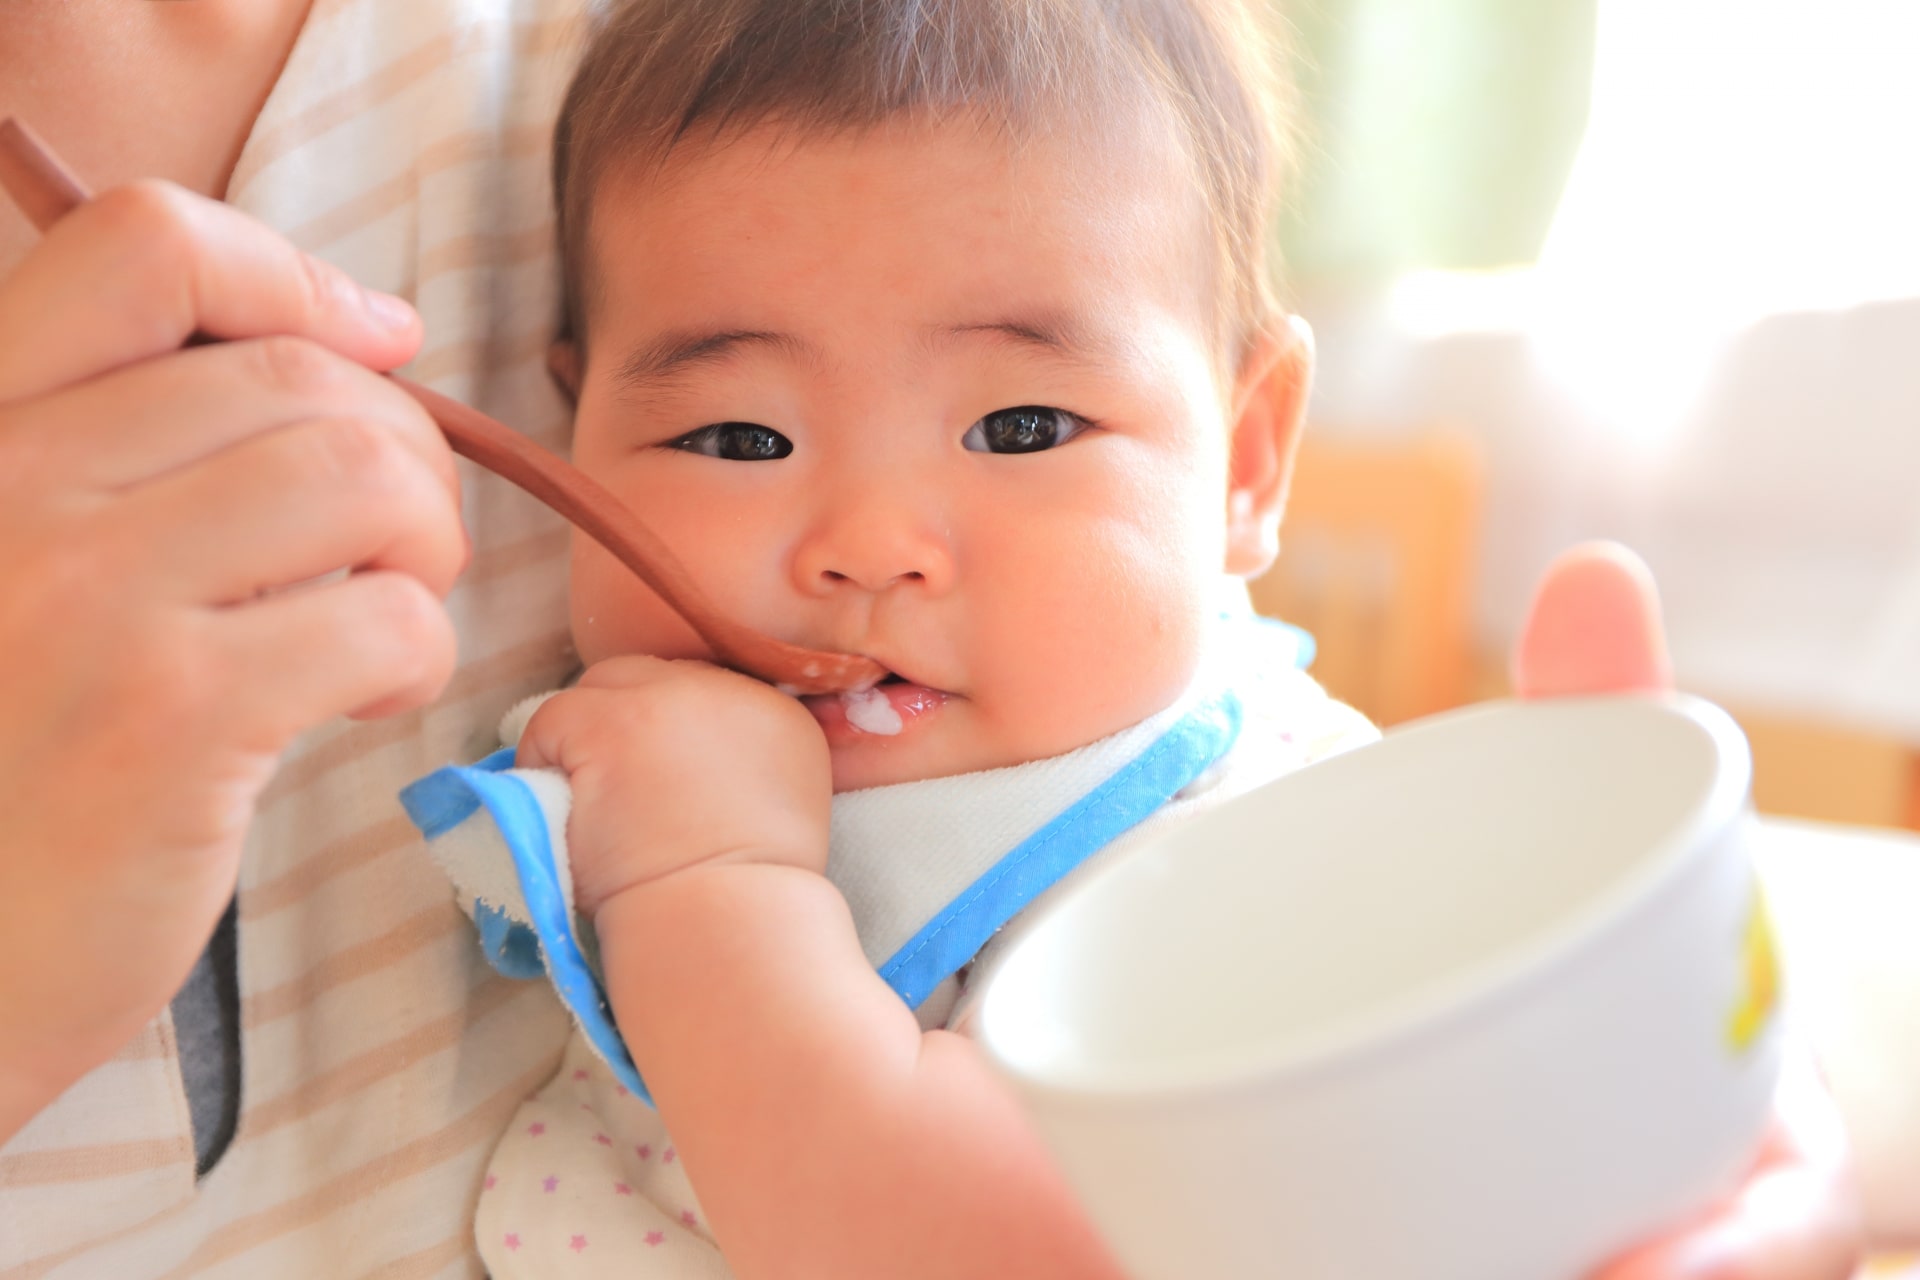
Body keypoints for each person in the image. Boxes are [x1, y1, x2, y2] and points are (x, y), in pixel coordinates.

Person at [0, 0, 1860, 1276]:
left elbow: (949, 1239)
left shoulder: (1222, 858)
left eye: (1026, 430)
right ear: (564, 421)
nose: (867, 542)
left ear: (1248, 463)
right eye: (734, 439)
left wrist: (714, 879)